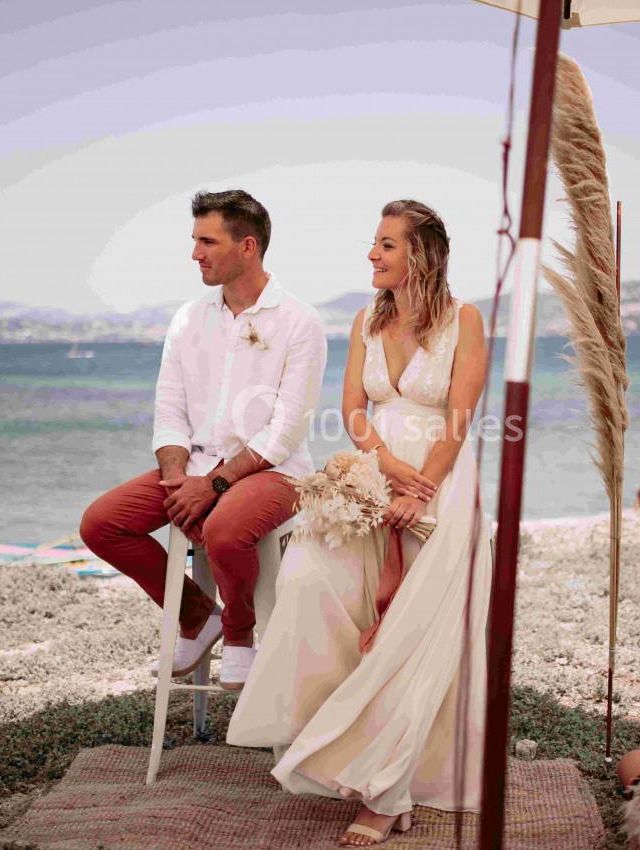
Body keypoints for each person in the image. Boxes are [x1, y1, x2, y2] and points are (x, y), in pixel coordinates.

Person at [227, 200, 492, 846]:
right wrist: (385, 466)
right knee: (306, 578)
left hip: (440, 484)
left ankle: (387, 790)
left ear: (421, 255)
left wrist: (420, 491)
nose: (372, 254)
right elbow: (351, 409)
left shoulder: (464, 321)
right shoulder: (365, 321)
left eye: (386, 244)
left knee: (412, 631)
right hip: (370, 476)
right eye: (375, 242)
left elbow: (459, 420)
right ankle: (328, 740)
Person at [79, 189, 326, 690]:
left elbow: (285, 431)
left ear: (248, 246)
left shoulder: (300, 321)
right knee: (101, 524)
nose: (195, 254)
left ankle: (239, 637)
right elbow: (169, 410)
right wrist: (178, 484)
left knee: (225, 530)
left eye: (208, 242)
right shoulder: (188, 318)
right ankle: (197, 617)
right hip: (193, 469)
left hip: (275, 471)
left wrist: (211, 487)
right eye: (195, 241)